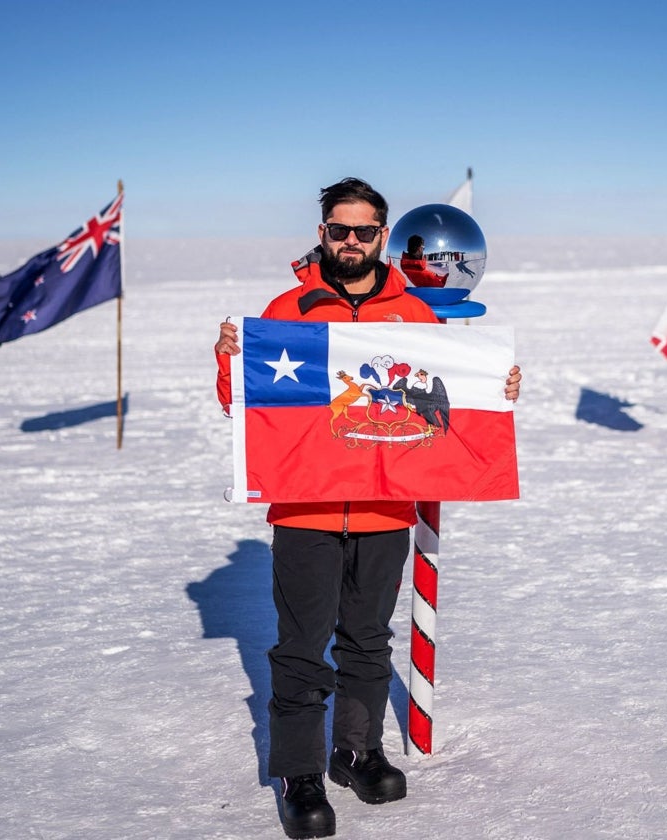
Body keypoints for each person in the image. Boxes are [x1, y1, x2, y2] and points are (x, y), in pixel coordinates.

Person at [214, 178, 521, 839]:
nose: (350, 241)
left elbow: (448, 390)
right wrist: (230, 362)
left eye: (363, 231)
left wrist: (496, 385)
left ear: (383, 237)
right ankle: (299, 773)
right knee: (300, 647)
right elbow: (244, 404)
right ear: (321, 233)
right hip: (304, 510)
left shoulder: (413, 315)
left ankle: (357, 750)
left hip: (385, 510)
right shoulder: (288, 309)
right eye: (337, 229)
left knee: (367, 638)